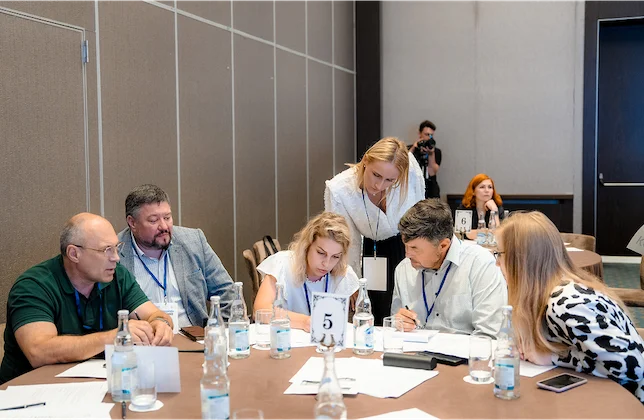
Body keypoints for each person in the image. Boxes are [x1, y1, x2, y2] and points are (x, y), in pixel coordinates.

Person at [0, 213, 174, 384]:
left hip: (96, 385)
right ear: (74, 253)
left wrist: (160, 324)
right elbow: (39, 352)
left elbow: (153, 314)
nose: (116, 257)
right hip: (31, 390)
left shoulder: (117, 276)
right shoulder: (33, 286)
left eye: (116, 247)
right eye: (106, 250)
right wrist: (113, 337)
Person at [495, 211, 644, 404]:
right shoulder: (550, 292)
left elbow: (631, 365)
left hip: (628, 403)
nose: (497, 263)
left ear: (520, 259)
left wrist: (554, 358)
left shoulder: (564, 304)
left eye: (499, 254)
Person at [325, 137, 425, 324]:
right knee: (376, 314)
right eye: (376, 175)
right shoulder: (340, 189)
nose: (379, 186)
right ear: (365, 161)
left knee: (411, 311)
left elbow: (421, 217)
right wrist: (350, 281)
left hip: (408, 246)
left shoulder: (411, 171)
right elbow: (346, 241)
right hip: (371, 253)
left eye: (390, 180)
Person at [117, 184, 235, 327]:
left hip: (193, 335)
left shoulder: (193, 241)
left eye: (167, 218)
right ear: (132, 222)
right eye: (153, 220)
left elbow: (227, 293)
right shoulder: (115, 254)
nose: (164, 226)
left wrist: (219, 332)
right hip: (144, 338)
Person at [392, 199, 507, 338]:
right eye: (405, 245)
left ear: (443, 245)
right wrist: (400, 323)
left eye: (414, 248)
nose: (407, 254)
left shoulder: (480, 264)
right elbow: (394, 325)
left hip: (465, 350)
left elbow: (488, 335)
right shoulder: (403, 269)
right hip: (415, 349)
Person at [253, 212, 359, 332]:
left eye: (335, 256)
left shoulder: (343, 274)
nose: (326, 263)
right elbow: (260, 310)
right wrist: (304, 322)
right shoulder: (282, 264)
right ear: (307, 246)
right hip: (285, 338)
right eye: (321, 253)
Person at [457, 173, 505, 240]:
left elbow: (500, 234)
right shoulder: (464, 208)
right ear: (473, 191)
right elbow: (463, 234)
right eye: (482, 187)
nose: (487, 190)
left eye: (490, 187)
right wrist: (488, 232)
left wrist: (494, 210)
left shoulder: (497, 208)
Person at [409, 120, 442, 199]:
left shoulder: (436, 152)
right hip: (413, 188)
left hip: (431, 189)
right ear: (420, 133)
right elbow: (404, 165)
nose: (429, 138)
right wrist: (413, 148)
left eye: (431, 135)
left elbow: (432, 172)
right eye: (427, 134)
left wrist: (431, 154)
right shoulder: (411, 150)